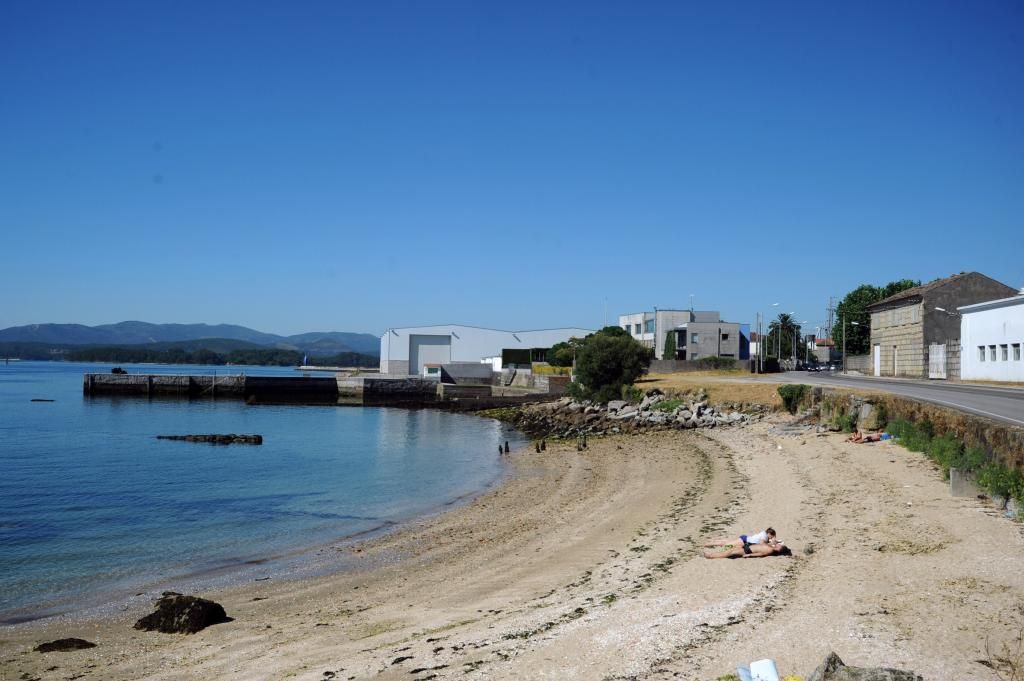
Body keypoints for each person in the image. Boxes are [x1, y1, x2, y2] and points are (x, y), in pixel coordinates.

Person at [703, 540, 791, 559]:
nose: (778, 545)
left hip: (747, 550)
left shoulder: (771, 550)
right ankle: (713, 554)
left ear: (780, 550)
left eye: (780, 546)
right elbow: (762, 543)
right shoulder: (771, 547)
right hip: (747, 546)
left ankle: (710, 556)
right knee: (730, 549)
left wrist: (749, 555)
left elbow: (761, 554)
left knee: (729, 553)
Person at [704, 527, 776, 548]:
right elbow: (762, 543)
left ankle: (713, 541)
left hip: (745, 538)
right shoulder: (765, 536)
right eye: (772, 536)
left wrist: (771, 542)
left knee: (728, 542)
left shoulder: (763, 533)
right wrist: (771, 544)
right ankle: (707, 544)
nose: (771, 538)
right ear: (769, 534)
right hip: (744, 540)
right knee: (727, 544)